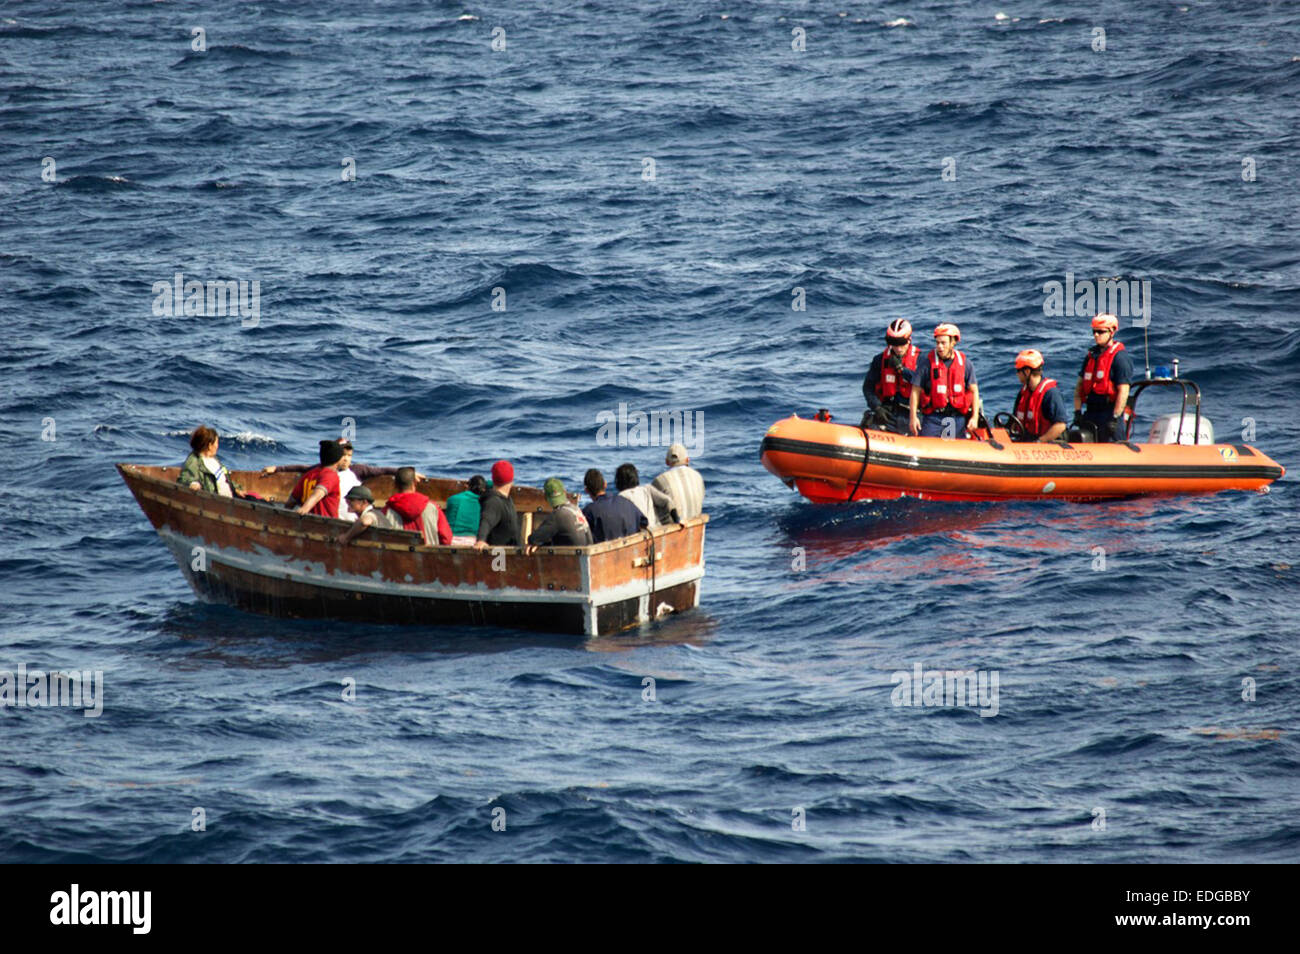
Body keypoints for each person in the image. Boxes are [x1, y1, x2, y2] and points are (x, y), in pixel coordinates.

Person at [264, 441, 423, 522]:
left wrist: (409, 473)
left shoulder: (357, 470)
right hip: (330, 522)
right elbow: (303, 471)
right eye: (343, 455)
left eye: (349, 456)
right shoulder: (322, 472)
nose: (346, 459)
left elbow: (383, 470)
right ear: (336, 458)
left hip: (349, 519)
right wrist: (278, 469)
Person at [909, 323, 981, 439]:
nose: (940, 347)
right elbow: (915, 391)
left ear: (953, 343)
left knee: (955, 450)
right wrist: (913, 417)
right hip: (933, 418)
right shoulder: (927, 363)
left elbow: (974, 391)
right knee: (928, 448)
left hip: (956, 418)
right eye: (937, 343)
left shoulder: (965, 364)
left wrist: (974, 417)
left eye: (943, 343)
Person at [1073, 313, 1133, 442]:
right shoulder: (1090, 357)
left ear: (1111, 332)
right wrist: (1077, 412)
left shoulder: (1120, 358)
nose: (1096, 335)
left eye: (1100, 332)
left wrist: (1115, 418)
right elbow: (1079, 387)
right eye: (1094, 331)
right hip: (1091, 412)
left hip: (1109, 414)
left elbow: (1124, 391)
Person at [861, 318, 920, 434]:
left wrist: (902, 370)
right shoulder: (880, 360)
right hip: (888, 411)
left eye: (901, 344)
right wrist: (877, 407)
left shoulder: (921, 360)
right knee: (869, 424)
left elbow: (925, 385)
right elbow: (868, 388)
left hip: (912, 413)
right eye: (894, 344)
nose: (898, 348)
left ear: (909, 340)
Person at [383, 466, 452, 545]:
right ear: (414, 483)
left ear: (395, 485)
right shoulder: (433, 508)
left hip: (398, 556)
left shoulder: (386, 511)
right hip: (428, 556)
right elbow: (447, 539)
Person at [1010, 350, 1068, 443]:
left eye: (1018, 371)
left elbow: (1060, 425)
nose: (1017, 374)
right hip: (1026, 441)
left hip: (1048, 444)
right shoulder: (1023, 393)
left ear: (1027, 372)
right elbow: (1014, 421)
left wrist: (1040, 441)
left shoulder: (1050, 393)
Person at [526, 478, 594, 552]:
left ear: (545, 498)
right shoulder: (576, 509)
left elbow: (533, 539)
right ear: (564, 493)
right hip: (587, 555)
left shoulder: (558, 515)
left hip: (574, 560)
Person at [582, 468, 647, 543]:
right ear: (605, 484)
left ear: (586, 490)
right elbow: (644, 521)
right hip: (630, 549)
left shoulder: (588, 511)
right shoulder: (625, 501)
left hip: (604, 552)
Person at [178, 425, 245, 497]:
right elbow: (185, 478)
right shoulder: (194, 460)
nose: (217, 446)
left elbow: (225, 479)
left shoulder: (214, 459)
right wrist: (193, 484)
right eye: (216, 443)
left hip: (231, 498)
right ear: (210, 445)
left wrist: (236, 489)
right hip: (216, 501)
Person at [288, 440, 348, 517]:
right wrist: (305, 509)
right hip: (325, 524)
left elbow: (292, 500)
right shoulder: (331, 475)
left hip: (305, 522)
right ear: (338, 459)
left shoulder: (309, 474)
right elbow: (319, 492)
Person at [473, 460, 521, 551]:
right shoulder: (493, 502)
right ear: (512, 479)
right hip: (499, 557)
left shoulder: (506, 498)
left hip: (511, 552)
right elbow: (486, 520)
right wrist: (481, 540)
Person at [651, 443, 704, 521]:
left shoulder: (660, 480)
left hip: (672, 528)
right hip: (695, 524)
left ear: (667, 462)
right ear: (687, 460)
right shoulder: (698, 476)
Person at [615, 462, 677, 529]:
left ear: (619, 480)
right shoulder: (647, 489)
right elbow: (667, 501)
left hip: (638, 533)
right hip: (655, 530)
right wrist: (677, 520)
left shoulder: (621, 497)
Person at [445, 474, 488, 545]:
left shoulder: (452, 499)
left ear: (467, 486)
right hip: (472, 541)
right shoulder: (483, 503)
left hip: (450, 540)